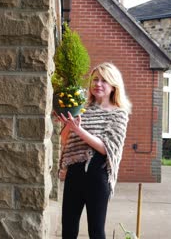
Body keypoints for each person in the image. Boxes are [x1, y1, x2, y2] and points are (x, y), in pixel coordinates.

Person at [56, 62, 132, 239]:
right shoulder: (81, 108)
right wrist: (69, 124)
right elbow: (65, 140)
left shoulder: (118, 114)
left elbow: (107, 148)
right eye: (95, 79)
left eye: (104, 80)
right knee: (68, 230)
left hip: (97, 176)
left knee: (96, 232)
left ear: (113, 86)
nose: (98, 84)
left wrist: (78, 130)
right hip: (74, 173)